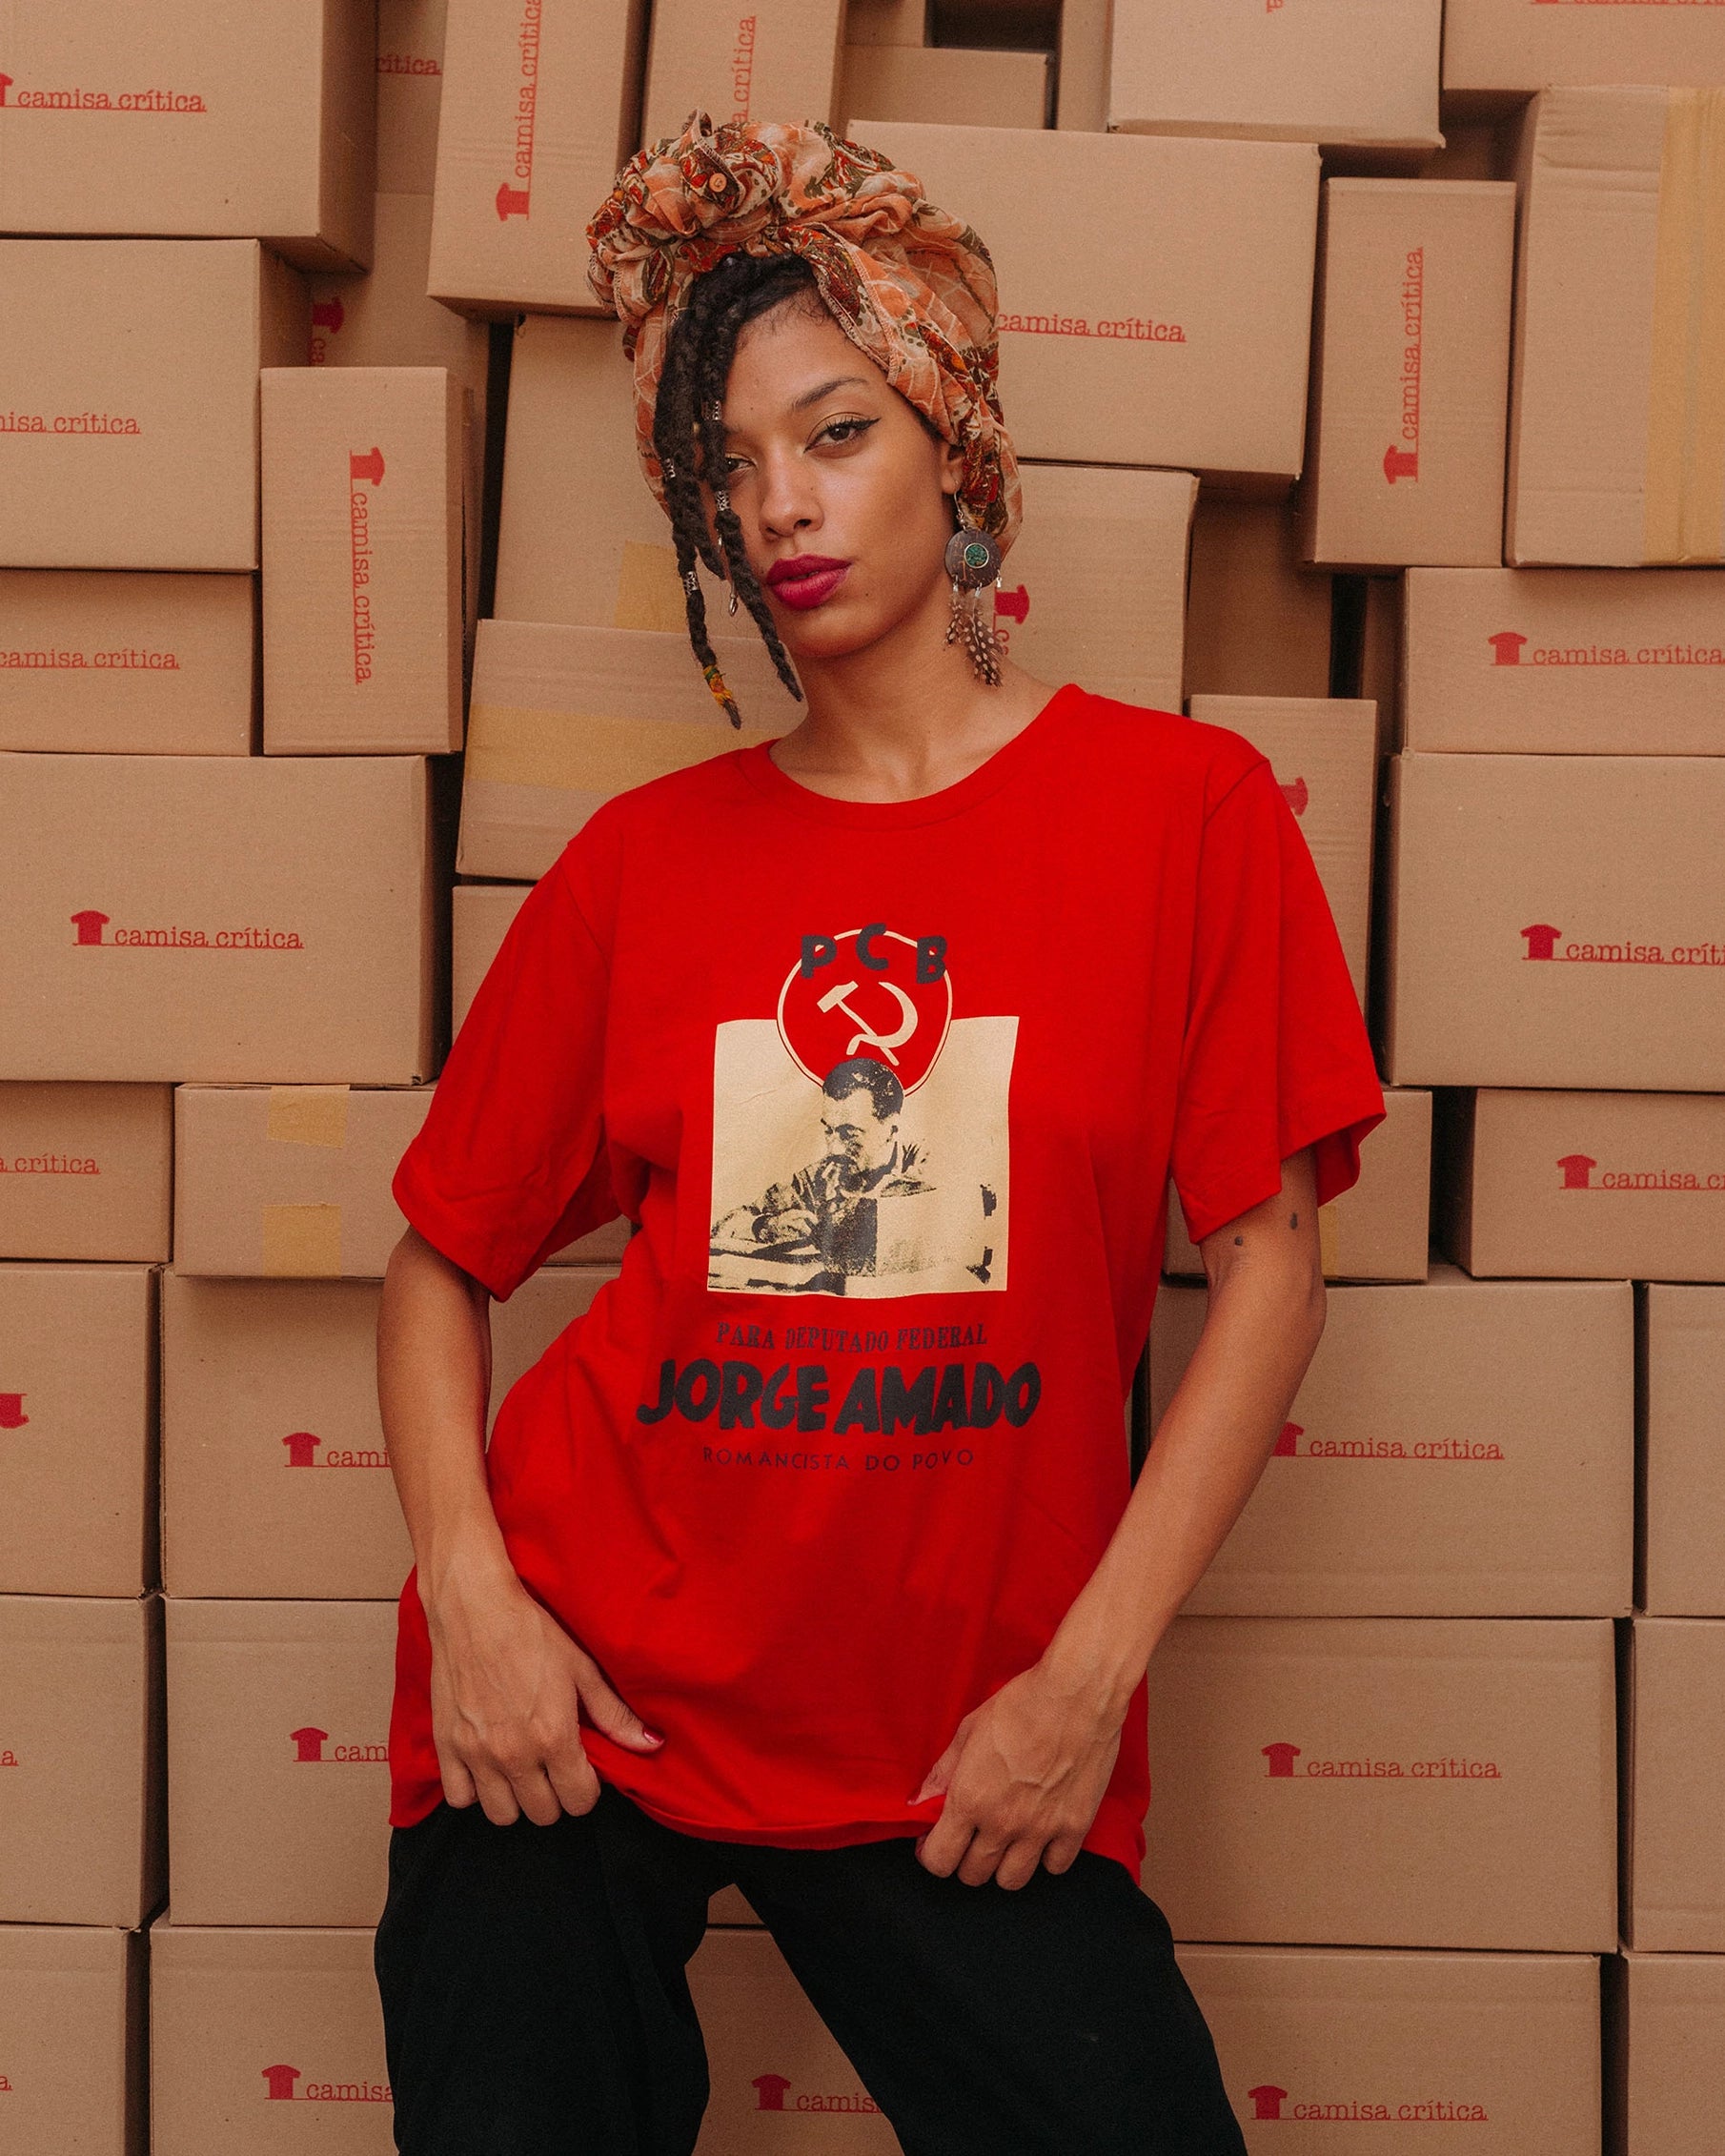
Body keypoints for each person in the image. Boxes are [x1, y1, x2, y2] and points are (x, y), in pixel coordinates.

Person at [371, 111, 1385, 2156]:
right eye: (728, 467)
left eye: (834, 434)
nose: (779, 506)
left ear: (954, 441)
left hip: (957, 1735)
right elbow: (437, 1257)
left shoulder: (1182, 818)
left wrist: (1081, 1685)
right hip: (594, 1697)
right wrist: (473, 1600)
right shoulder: (642, 863)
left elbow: (1268, 1270)